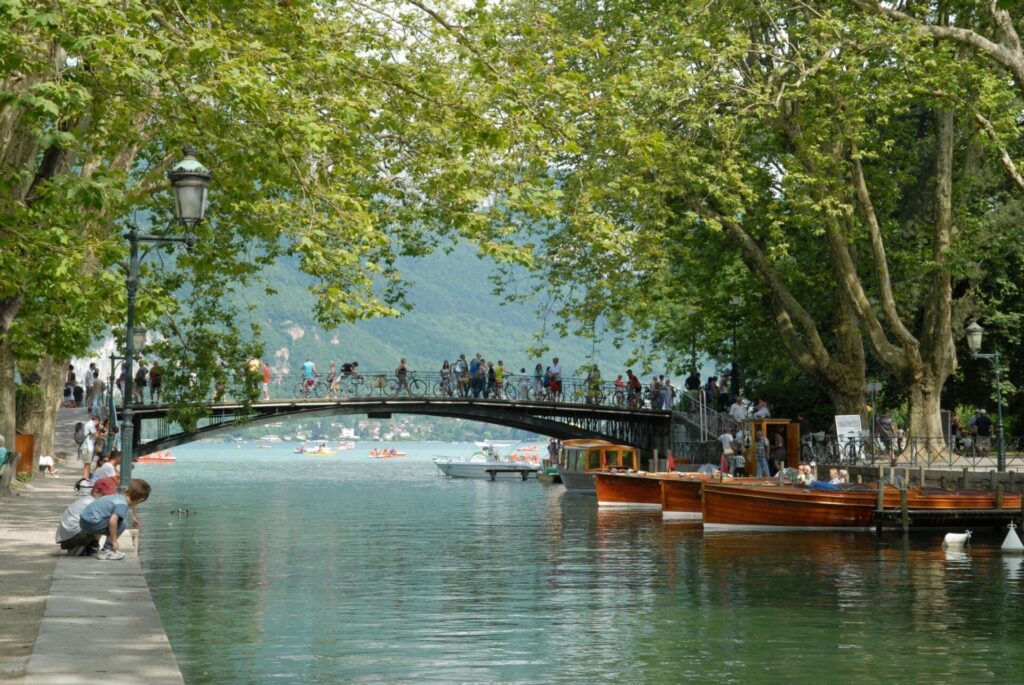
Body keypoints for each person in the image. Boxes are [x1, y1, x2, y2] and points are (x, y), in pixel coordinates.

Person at [78, 479, 151, 561]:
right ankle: (106, 550)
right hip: (92, 524)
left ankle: (98, 546)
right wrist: (114, 540)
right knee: (122, 524)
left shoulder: (118, 497)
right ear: (140, 500)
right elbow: (113, 521)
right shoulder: (122, 505)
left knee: (115, 521)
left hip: (83, 521)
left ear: (127, 490)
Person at [81, 415, 100, 479]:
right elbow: (96, 435)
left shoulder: (89, 424)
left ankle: (86, 478)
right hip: (87, 447)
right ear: (96, 421)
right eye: (98, 422)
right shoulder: (90, 425)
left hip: (87, 447)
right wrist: (99, 429)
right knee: (87, 464)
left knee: (87, 464)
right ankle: (85, 478)